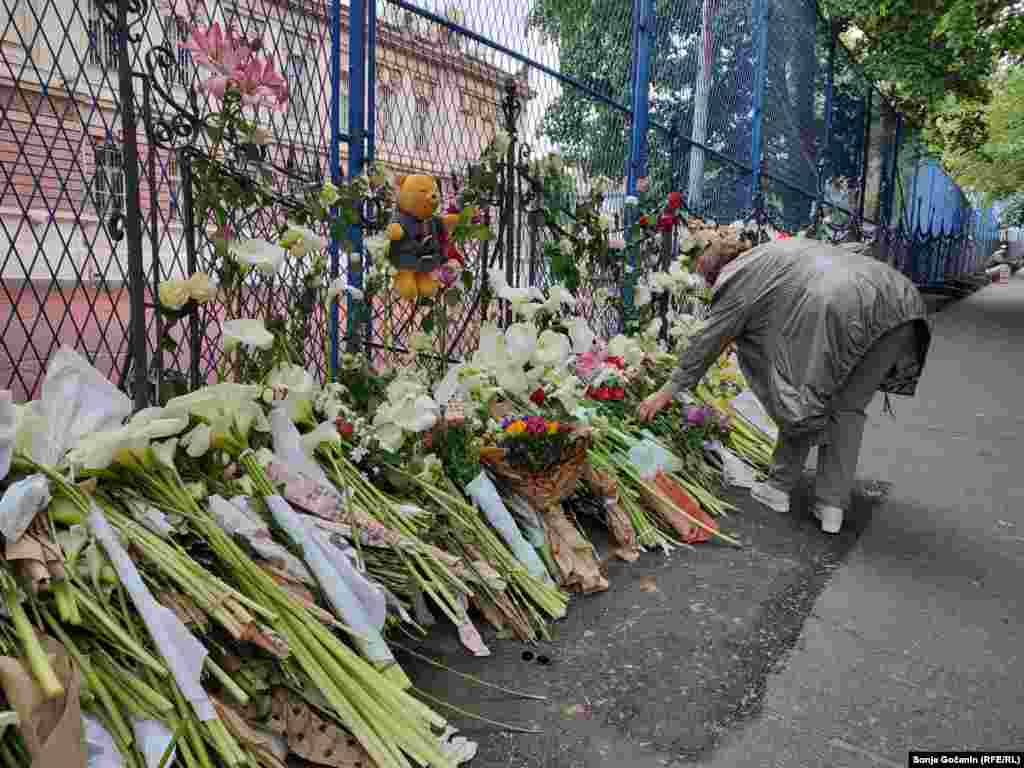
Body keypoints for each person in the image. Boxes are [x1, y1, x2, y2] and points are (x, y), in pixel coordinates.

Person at [638, 237, 932, 534]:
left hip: (837, 306)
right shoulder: (778, 254)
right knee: (848, 407)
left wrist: (666, 392)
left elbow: (708, 341)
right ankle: (832, 508)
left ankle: (778, 488)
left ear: (718, 272)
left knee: (798, 390)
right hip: (900, 303)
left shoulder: (739, 274)